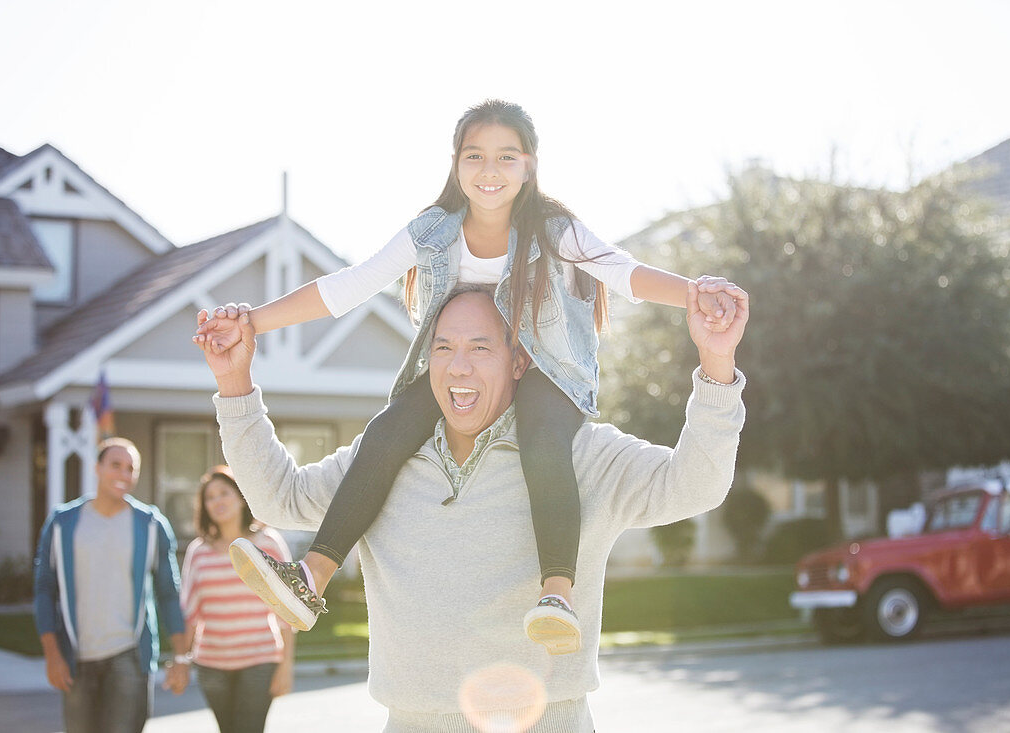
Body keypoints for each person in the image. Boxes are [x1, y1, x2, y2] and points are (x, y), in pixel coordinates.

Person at [195, 99, 737, 655]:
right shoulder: (433, 232)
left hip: (546, 368)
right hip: (465, 369)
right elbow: (347, 287)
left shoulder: (554, 229)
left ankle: (556, 594)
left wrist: (696, 294)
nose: (490, 170)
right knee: (385, 434)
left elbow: (625, 273)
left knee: (544, 441)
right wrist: (250, 323)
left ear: (529, 165)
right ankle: (310, 576)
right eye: (474, 155)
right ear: (456, 164)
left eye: (507, 156)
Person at [199, 279, 748, 731]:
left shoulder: (579, 454)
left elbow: (696, 484)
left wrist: (716, 362)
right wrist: (234, 382)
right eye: (444, 347)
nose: (458, 367)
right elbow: (281, 497)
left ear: (518, 361)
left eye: (480, 347)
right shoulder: (382, 462)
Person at [33, 437, 189, 733]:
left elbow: (169, 594)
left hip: (128, 658)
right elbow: (44, 590)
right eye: (115, 465)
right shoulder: (61, 524)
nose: (123, 475)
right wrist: (53, 655)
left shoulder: (151, 524)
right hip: (77, 656)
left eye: (131, 468)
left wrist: (181, 657)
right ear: (97, 467)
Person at [180, 465, 296, 733]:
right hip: (211, 664)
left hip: (260, 659)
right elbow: (190, 612)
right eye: (210, 497)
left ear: (241, 497)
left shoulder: (267, 544)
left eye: (224, 493)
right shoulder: (198, 552)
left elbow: (287, 609)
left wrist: (286, 666)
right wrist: (182, 660)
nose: (217, 501)